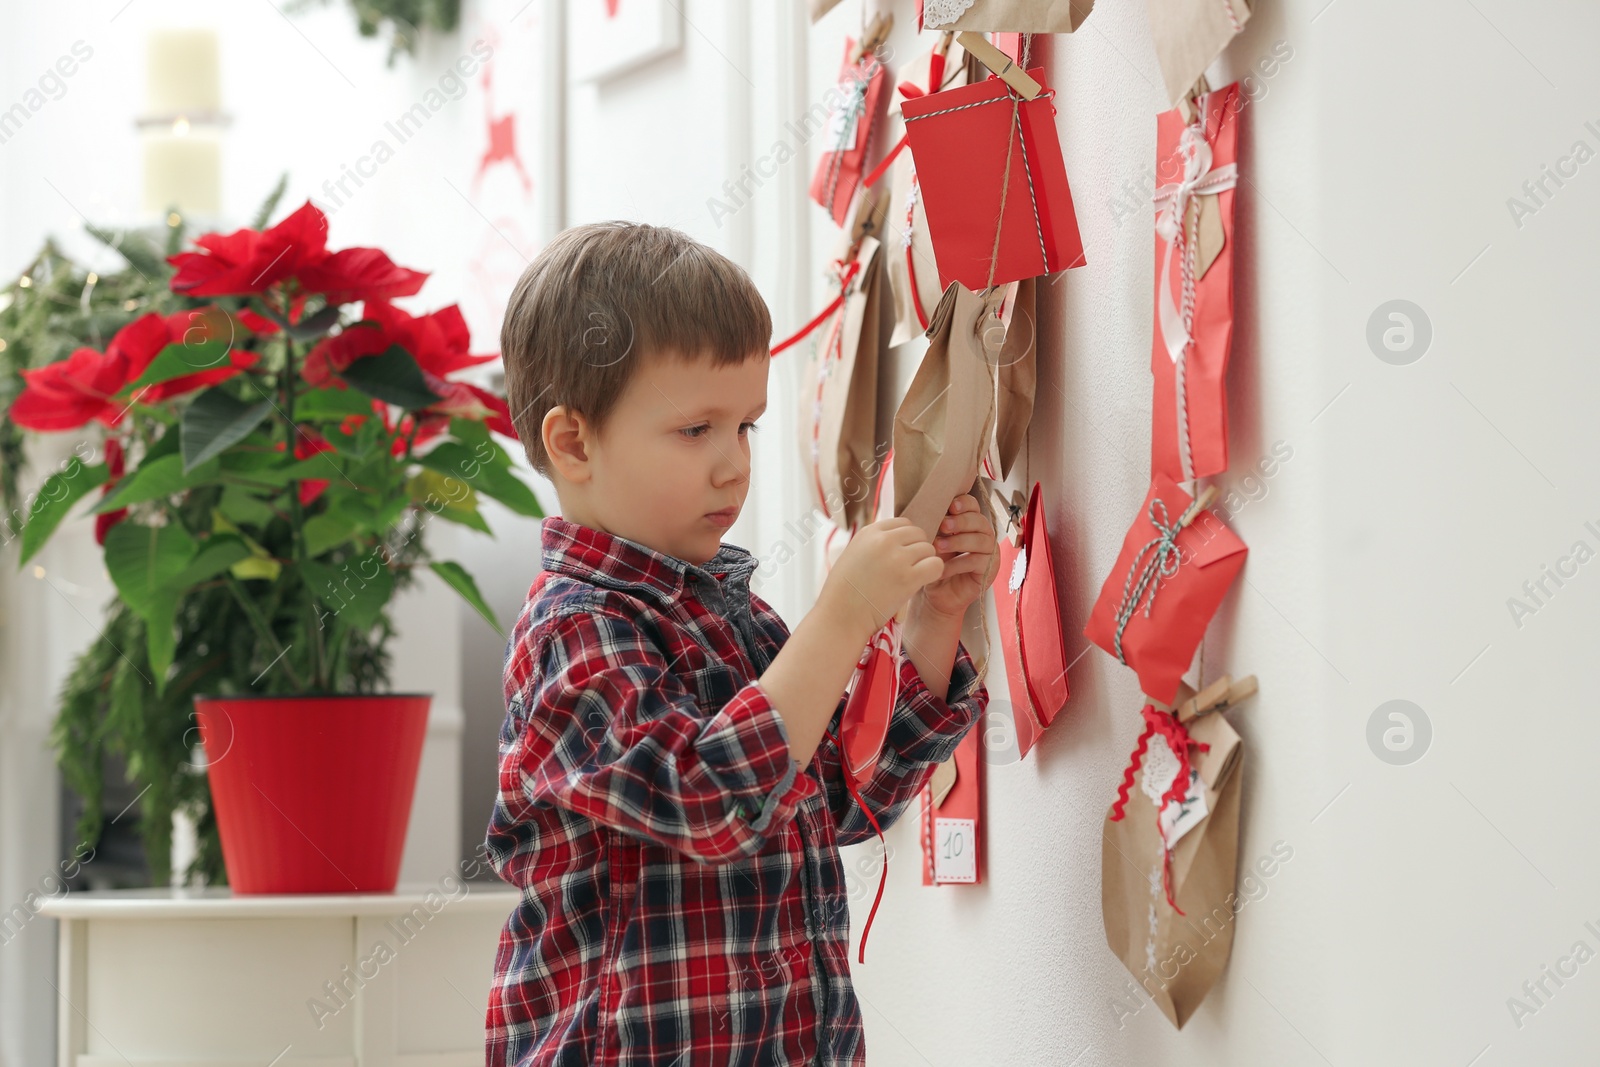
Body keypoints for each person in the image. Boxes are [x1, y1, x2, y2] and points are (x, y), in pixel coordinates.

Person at [483, 220, 993, 1066]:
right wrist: (839, 617)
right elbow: (707, 800)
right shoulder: (573, 632)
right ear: (573, 443)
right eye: (696, 430)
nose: (734, 466)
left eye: (747, 427)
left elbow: (839, 799)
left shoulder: (739, 619)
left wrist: (930, 620)